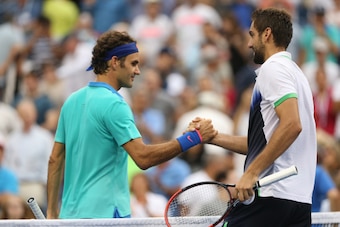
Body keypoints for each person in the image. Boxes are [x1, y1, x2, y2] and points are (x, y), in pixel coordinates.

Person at [46, 30, 217, 219]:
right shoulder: (115, 104)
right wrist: (193, 138)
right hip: (106, 217)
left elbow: (55, 160)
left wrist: (52, 210)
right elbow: (143, 158)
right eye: (133, 63)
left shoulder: (71, 101)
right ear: (114, 62)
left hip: (69, 217)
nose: (138, 71)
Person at [201, 8, 317, 226]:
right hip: (299, 202)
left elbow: (292, 125)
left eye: (252, 34)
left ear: (267, 34)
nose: (249, 44)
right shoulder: (297, 74)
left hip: (271, 195)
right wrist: (214, 137)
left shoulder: (272, 69)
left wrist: (251, 173)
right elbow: (268, 142)